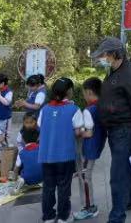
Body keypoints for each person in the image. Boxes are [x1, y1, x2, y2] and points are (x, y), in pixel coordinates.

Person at [93, 36, 131, 223]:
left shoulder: (130, 73)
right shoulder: (114, 71)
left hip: (125, 130)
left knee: (118, 175)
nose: (102, 58)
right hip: (115, 130)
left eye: (104, 54)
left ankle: (117, 217)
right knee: (127, 166)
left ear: (114, 53)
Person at [38, 77, 84, 223]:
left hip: (46, 155)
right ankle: (63, 217)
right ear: (69, 91)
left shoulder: (44, 109)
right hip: (65, 156)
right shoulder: (74, 109)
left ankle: (48, 216)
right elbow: (78, 131)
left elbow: (40, 125)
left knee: (48, 187)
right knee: (64, 187)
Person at [75, 77, 106, 221]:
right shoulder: (102, 105)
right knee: (86, 176)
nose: (83, 96)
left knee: (84, 177)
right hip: (98, 145)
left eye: (83, 93)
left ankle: (89, 207)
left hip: (89, 148)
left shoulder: (88, 110)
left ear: (89, 92)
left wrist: (78, 132)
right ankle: (89, 206)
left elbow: (89, 133)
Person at [12, 127, 42, 193]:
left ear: (23, 139)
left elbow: (16, 169)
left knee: (22, 175)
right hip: (43, 176)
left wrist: (15, 179)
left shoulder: (21, 153)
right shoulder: (42, 149)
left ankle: (21, 181)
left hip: (28, 179)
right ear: (38, 138)